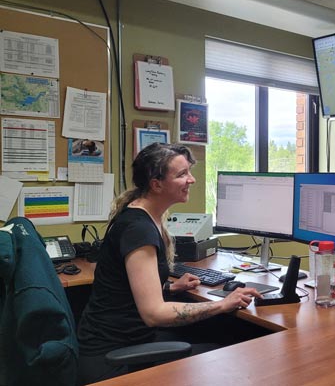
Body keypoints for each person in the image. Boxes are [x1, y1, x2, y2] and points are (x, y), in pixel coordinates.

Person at [76, 143, 261, 384]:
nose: (191, 180)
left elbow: (122, 286)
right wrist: (223, 304)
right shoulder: (139, 229)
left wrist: (168, 288)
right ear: (156, 184)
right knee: (231, 350)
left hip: (121, 339)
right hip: (113, 360)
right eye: (182, 174)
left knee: (224, 331)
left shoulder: (139, 214)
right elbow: (154, 314)